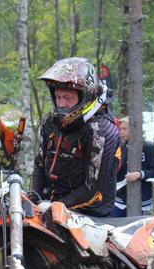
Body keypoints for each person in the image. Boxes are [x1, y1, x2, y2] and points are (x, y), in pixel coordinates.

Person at [31, 57, 120, 217]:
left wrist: (54, 208)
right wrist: (32, 201)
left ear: (85, 96)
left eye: (68, 98)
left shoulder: (101, 130)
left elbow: (93, 191)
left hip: (91, 216)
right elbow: (39, 166)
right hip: (49, 208)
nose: (61, 104)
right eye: (58, 97)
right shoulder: (50, 123)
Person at [112, 115, 154, 217]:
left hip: (141, 199)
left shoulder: (147, 147)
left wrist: (139, 174)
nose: (121, 132)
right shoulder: (120, 148)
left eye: (124, 129)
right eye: (120, 129)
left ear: (134, 129)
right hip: (120, 199)